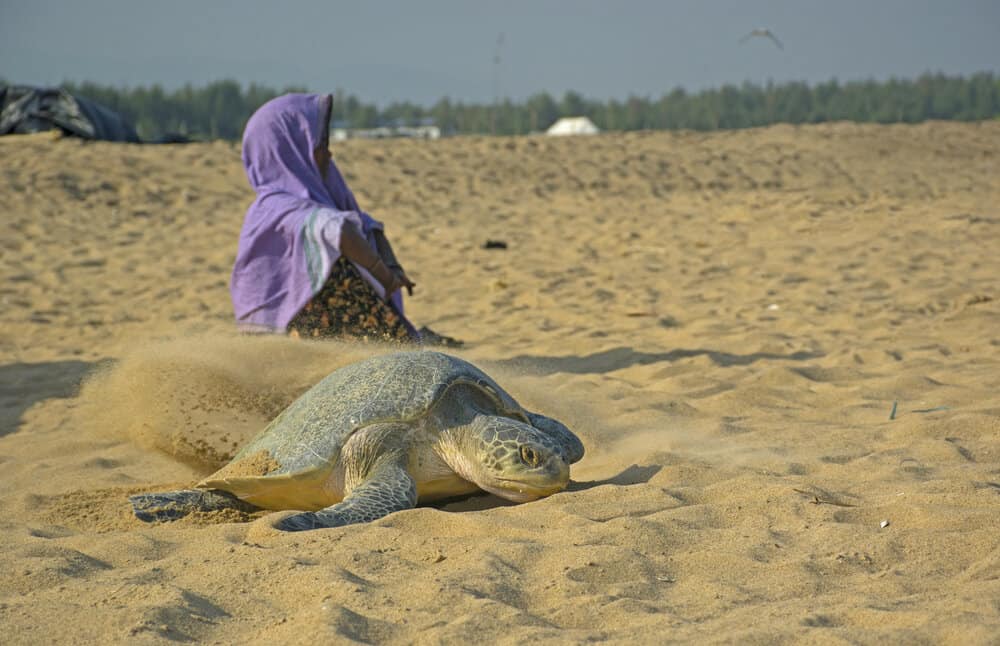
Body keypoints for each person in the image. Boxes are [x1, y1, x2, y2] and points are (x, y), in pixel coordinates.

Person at [230, 93, 456, 344]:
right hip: (298, 340)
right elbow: (341, 230)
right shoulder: (281, 209)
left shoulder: (303, 201)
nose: (328, 154)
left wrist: (394, 268)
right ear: (292, 148)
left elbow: (368, 225)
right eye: (320, 145)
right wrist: (385, 277)